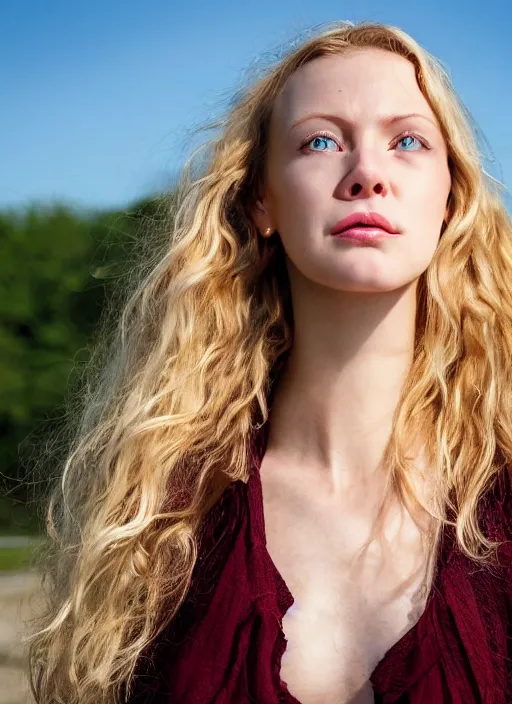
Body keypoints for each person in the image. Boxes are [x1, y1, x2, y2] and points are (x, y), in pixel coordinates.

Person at [26, 20, 512, 704]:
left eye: (407, 141)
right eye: (321, 140)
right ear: (262, 201)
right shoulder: (163, 524)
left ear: (451, 200)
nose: (368, 174)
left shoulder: (504, 499)